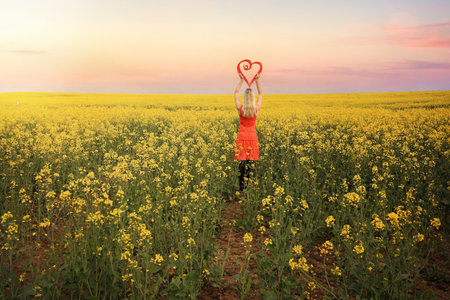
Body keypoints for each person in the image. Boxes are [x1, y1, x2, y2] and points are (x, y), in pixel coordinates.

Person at [233, 73, 262, 191]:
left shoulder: (240, 108)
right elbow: (260, 93)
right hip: (252, 136)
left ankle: (241, 187)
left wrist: (241, 81)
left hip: (242, 135)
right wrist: (256, 81)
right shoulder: (256, 109)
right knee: (250, 161)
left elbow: (235, 93)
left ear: (245, 98)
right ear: (253, 98)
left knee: (242, 161)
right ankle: (248, 185)